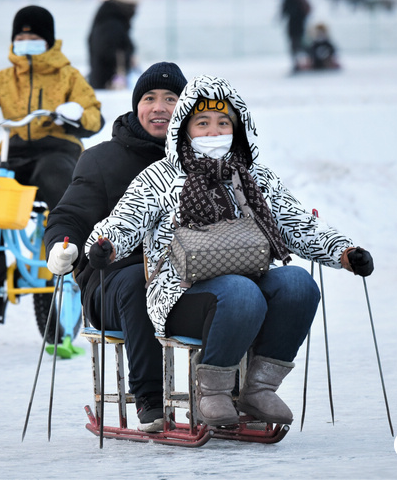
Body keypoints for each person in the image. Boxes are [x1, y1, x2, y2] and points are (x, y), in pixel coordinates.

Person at [85, 74, 374, 427]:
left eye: (224, 123)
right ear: (185, 128)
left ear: (239, 128)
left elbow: (296, 223)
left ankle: (259, 388)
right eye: (203, 122)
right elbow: (125, 222)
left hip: (248, 282)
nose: (213, 131)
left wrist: (343, 252)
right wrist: (105, 246)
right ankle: (212, 393)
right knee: (241, 292)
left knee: (298, 283)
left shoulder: (256, 177)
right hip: (182, 293)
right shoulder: (159, 177)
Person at [0, 5, 103, 328]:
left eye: (34, 35)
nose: (26, 40)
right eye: (21, 35)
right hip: (13, 153)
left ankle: (73, 262)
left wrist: (73, 115)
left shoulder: (68, 76)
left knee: (59, 186)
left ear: (49, 40)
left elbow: (93, 114)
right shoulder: (3, 78)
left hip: (58, 148)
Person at [43, 62, 188, 433]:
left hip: (186, 274)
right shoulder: (102, 159)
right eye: (150, 98)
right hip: (110, 283)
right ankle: (151, 399)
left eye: (170, 99)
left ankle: (227, 394)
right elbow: (70, 216)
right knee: (140, 283)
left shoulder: (202, 157)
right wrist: (63, 248)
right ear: (136, 105)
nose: (159, 107)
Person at [87, 0, 145, 90]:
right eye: (132, 6)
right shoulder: (112, 23)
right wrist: (120, 72)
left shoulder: (108, 18)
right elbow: (111, 53)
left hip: (103, 80)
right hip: (108, 83)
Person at [279, 0, 311, 73]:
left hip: (295, 23)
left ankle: (311, 58)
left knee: (297, 44)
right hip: (297, 23)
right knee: (297, 44)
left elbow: (288, 9)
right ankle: (304, 61)